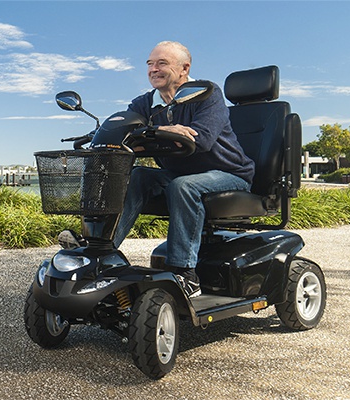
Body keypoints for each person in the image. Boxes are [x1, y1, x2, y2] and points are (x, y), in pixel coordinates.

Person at [89, 41, 255, 297]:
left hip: (229, 174)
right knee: (138, 176)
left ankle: (185, 273)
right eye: (150, 64)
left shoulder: (207, 94)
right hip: (179, 174)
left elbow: (201, 140)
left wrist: (148, 135)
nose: (153, 69)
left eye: (162, 63)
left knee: (183, 186)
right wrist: (162, 130)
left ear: (184, 68)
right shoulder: (145, 103)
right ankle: (102, 254)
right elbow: (126, 134)